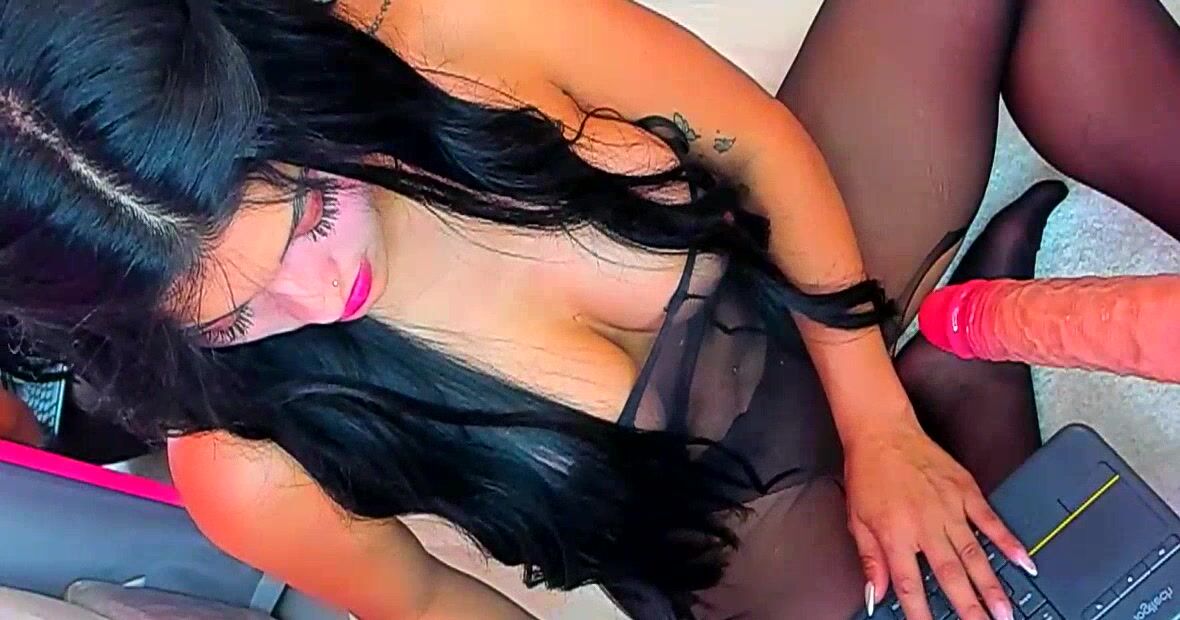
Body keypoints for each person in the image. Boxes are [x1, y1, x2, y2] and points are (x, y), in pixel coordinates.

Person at [0, 0, 1177, 618]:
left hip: (786, 281)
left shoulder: (455, 27)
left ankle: (919, 385)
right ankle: (955, 376)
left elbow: (755, 145)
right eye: (235, 315)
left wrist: (876, 425)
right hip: (752, 538)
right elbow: (438, 605)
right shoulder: (242, 466)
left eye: (309, 213)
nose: (321, 295)